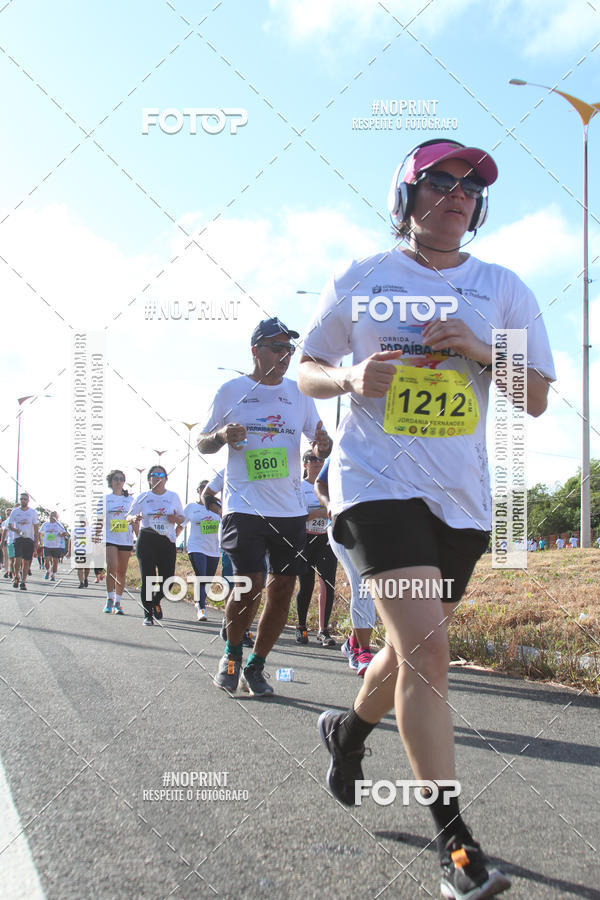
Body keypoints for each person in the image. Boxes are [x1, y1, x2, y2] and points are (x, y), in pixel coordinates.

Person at [299, 139, 555, 899]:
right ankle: (455, 843)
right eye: (438, 182)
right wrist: (351, 374)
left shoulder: (502, 289)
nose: (456, 194)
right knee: (431, 655)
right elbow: (312, 366)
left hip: (460, 502)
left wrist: (480, 349)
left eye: (470, 188)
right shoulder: (362, 277)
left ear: (480, 209)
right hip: (374, 486)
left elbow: (535, 395)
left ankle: (348, 732)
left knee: (415, 651)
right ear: (404, 197)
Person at [197, 316, 331, 697]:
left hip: (289, 512)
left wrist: (322, 445)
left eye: (290, 348)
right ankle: (231, 655)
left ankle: (256, 665)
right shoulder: (231, 390)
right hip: (244, 506)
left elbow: (322, 443)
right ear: (256, 350)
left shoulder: (299, 393)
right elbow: (202, 442)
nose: (286, 355)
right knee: (250, 585)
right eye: (277, 348)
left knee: (283, 588)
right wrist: (221, 435)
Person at [314, 457, 375, 677]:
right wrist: (329, 504)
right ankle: (362, 651)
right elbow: (320, 484)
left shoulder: (390, 445)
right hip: (344, 526)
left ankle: (351, 642)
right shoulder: (345, 444)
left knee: (376, 588)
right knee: (363, 584)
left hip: (377, 528)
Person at [202, 471, 255, 647]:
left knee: (255, 587)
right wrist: (222, 511)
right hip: (231, 534)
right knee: (233, 584)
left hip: (260, 535)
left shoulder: (264, 464)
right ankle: (231, 622)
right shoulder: (226, 470)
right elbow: (207, 495)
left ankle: (245, 628)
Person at [127, 466, 184, 626]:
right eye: (154, 475)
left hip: (167, 540)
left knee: (168, 580)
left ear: (166, 478)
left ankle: (155, 601)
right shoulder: (143, 496)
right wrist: (133, 518)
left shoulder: (173, 496)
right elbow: (128, 516)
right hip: (147, 539)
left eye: (161, 474)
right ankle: (147, 614)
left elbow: (182, 518)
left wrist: (175, 518)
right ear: (149, 479)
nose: (158, 477)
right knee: (148, 579)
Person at [295, 450, 338, 647]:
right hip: (305, 540)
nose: (317, 462)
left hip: (326, 541)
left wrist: (325, 513)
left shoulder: (330, 487)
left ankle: (323, 631)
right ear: (305, 464)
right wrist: (316, 513)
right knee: (306, 585)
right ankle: (302, 627)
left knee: (327, 585)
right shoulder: (298, 486)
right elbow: (294, 516)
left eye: (321, 460)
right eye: (312, 459)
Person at [178, 480, 220, 622]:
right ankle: (201, 608)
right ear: (198, 490)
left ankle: (199, 600)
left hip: (213, 549)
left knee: (207, 580)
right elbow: (181, 525)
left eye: (207, 488)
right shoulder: (191, 507)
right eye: (202, 487)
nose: (205, 490)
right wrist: (171, 540)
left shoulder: (218, 507)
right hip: (196, 547)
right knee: (201, 576)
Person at [99, 470, 134, 614]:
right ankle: (109, 598)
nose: (119, 481)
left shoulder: (130, 500)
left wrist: (139, 535)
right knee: (112, 567)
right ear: (111, 482)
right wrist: (95, 535)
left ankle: (118, 602)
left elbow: (134, 518)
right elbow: (99, 520)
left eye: (121, 479)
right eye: (116, 478)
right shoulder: (105, 499)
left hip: (125, 538)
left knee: (121, 571)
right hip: (110, 538)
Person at [8, 493, 39, 590]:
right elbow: (9, 525)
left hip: (29, 539)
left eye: (25, 499)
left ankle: (23, 581)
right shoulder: (15, 512)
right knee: (17, 559)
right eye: (21, 499)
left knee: (26, 562)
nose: (23, 501)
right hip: (18, 539)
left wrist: (36, 542)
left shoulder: (32, 512)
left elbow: (36, 528)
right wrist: (15, 530)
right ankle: (16, 576)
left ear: (28, 501)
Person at [40, 512, 68, 581]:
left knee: (55, 562)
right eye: (51, 515)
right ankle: (48, 571)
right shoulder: (45, 524)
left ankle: (53, 575)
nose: (52, 517)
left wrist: (61, 534)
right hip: (47, 545)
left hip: (56, 546)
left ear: (57, 517)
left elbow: (65, 533)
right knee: (46, 561)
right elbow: (39, 532)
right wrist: (40, 541)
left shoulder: (59, 525)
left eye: (54, 516)